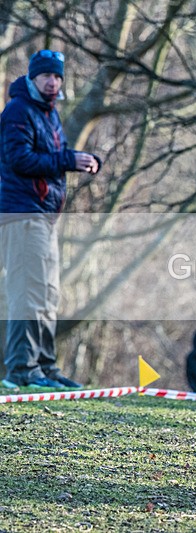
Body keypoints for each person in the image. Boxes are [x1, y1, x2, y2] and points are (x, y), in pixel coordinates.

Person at [0, 50, 101, 389]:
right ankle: (21, 369)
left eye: (57, 76)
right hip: (21, 213)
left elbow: (56, 158)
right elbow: (19, 159)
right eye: (46, 75)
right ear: (33, 77)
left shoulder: (51, 115)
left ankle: (44, 366)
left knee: (47, 293)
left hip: (44, 217)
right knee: (27, 291)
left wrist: (83, 160)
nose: (53, 81)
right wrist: (68, 160)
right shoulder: (18, 111)